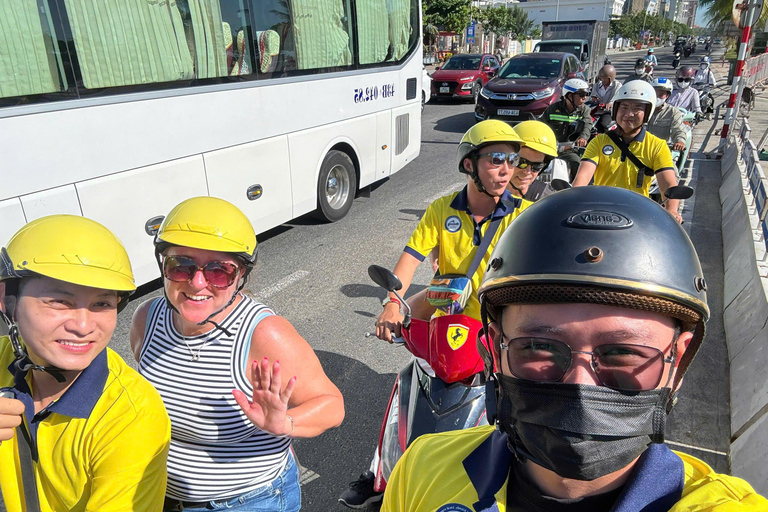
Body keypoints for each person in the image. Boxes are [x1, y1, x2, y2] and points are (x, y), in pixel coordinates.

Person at [381, 186, 768, 512]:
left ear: (676, 362)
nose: (579, 388)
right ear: (495, 351)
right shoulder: (421, 469)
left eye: (622, 353)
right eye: (538, 347)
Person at [339, 120, 531, 508]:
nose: (506, 168)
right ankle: (380, 473)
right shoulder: (442, 211)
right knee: (406, 386)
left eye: (512, 160)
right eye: (496, 159)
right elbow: (409, 260)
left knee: (518, 409)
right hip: (447, 331)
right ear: (469, 164)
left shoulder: (523, 216)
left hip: (499, 334)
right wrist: (394, 303)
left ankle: (517, 483)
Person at [131, 196, 345, 511]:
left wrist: (282, 423)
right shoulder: (148, 319)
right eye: (181, 265)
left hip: (246, 501)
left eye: (219, 271)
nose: (198, 282)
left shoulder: (263, 334)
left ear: (240, 276)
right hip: (162, 495)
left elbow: (331, 406)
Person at [0, 215, 170, 512]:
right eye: (59, 301)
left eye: (102, 304)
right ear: (7, 301)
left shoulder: (131, 417)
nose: (82, 325)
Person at [573, 80, 682, 222]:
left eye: (637, 108)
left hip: (638, 216)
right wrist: (573, 200)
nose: (629, 114)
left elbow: (669, 185)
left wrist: (672, 210)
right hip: (601, 216)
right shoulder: (599, 142)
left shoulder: (657, 146)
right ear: (616, 109)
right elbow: (582, 177)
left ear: (647, 113)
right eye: (624, 107)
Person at [540, 78, 594, 181]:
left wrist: (583, 138)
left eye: (586, 94)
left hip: (570, 150)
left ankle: (577, 191)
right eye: (581, 95)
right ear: (569, 96)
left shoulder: (584, 110)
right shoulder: (552, 109)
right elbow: (541, 126)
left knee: (577, 164)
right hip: (550, 148)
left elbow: (587, 125)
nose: (585, 98)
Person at [506, 120, 560, 201]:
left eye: (536, 166)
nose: (527, 171)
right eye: (521, 162)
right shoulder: (484, 195)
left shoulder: (546, 200)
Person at [648, 77, 687, 152]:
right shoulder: (642, 109)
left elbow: (678, 130)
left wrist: (680, 142)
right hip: (639, 149)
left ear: (667, 96)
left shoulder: (673, 112)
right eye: (654, 93)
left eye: (661, 95)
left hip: (661, 151)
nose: (657, 97)